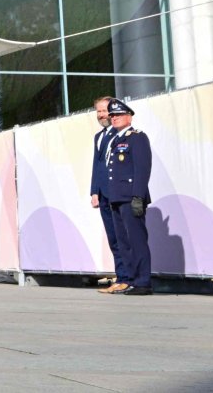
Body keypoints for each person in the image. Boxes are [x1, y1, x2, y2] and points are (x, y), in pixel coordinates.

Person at [102, 98, 153, 295]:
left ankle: (143, 282)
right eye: (112, 115)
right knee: (123, 242)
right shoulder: (114, 140)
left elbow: (142, 169)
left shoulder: (137, 138)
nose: (114, 118)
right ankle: (131, 279)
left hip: (131, 198)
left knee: (137, 241)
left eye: (118, 115)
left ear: (129, 116)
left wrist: (138, 197)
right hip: (116, 198)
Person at [88, 96, 123, 289]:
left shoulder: (120, 134)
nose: (102, 115)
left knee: (122, 237)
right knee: (112, 238)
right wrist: (94, 191)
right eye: (99, 111)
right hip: (103, 194)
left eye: (105, 111)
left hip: (117, 193)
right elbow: (97, 165)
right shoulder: (99, 137)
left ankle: (128, 277)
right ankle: (121, 276)